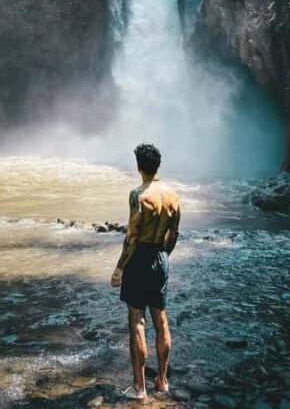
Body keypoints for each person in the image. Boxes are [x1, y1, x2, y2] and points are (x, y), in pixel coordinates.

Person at [110, 143, 181, 401]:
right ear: (158, 165)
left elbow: (132, 236)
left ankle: (139, 388)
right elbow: (173, 235)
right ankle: (162, 381)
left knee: (137, 321)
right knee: (161, 320)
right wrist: (163, 257)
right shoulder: (173, 196)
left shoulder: (137, 195)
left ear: (139, 167)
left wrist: (120, 267)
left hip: (139, 258)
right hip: (160, 257)